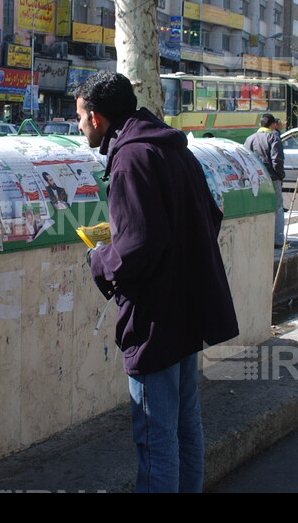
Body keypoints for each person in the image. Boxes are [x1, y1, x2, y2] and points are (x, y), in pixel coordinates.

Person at [77, 71, 239, 493]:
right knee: (186, 425)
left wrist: (99, 258)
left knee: (156, 436)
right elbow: (209, 215)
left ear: (96, 117)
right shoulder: (173, 149)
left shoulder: (130, 160)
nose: (78, 126)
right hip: (188, 309)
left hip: (156, 319)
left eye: (79, 117)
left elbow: (137, 248)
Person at [244, 114, 285, 247]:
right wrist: (280, 175)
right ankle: (278, 240)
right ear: (272, 125)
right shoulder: (273, 137)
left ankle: (258, 239)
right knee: (278, 207)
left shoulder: (250, 138)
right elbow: (277, 160)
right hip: (272, 177)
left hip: (255, 179)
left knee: (257, 209)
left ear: (261, 124)